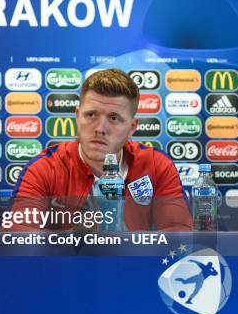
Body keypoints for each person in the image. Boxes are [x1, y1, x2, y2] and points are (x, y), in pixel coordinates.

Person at [10, 68, 192, 231]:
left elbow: (179, 237)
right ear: (77, 116)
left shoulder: (156, 165)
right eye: (91, 115)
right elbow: (17, 242)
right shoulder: (44, 168)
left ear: (132, 127)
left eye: (113, 118)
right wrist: (74, 239)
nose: (100, 128)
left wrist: (131, 243)